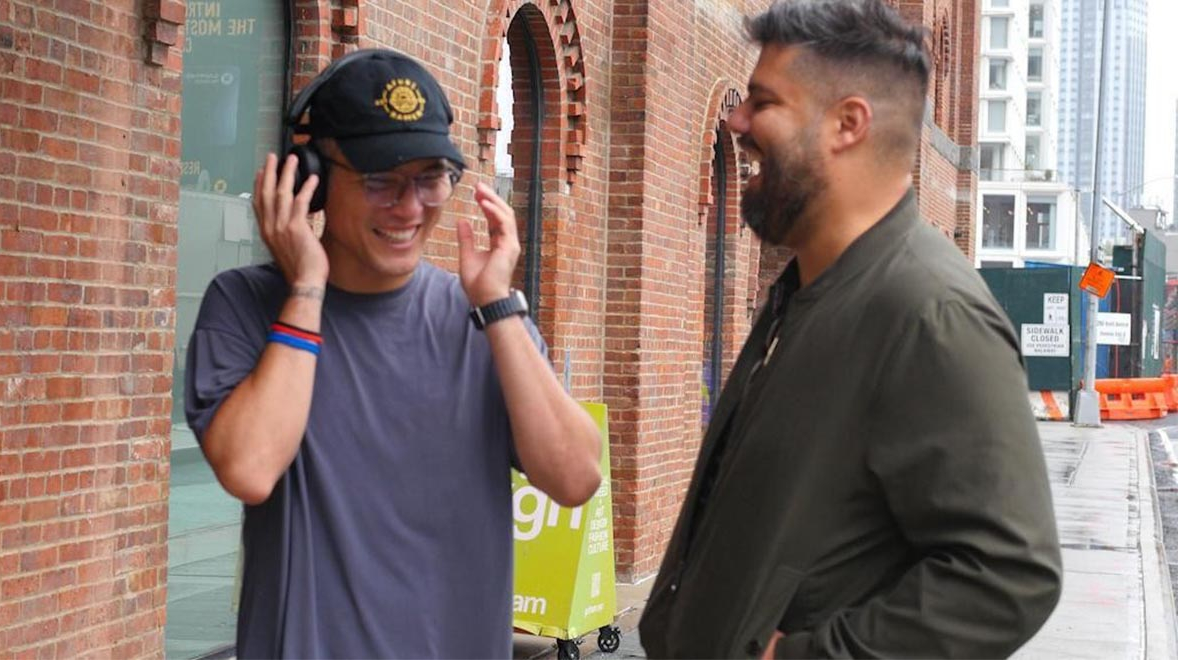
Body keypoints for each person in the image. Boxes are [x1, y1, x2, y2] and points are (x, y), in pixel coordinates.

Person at [638, 1, 1063, 657]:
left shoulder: (931, 313)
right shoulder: (811, 289)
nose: (737, 122)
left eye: (764, 101)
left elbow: (1009, 576)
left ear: (847, 124)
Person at [184, 48, 602, 659]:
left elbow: (575, 477)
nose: (409, 208)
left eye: (430, 178)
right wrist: (305, 288)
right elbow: (249, 468)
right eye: (380, 180)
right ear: (314, 182)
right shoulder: (246, 305)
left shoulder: (481, 319)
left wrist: (499, 308)